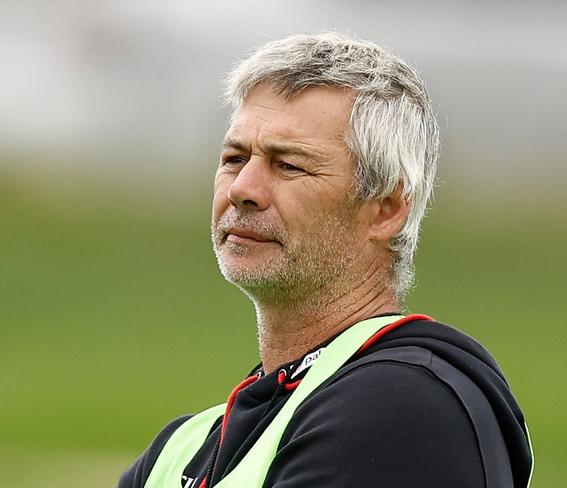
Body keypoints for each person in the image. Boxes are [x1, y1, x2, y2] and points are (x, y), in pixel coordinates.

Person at [119, 32, 533, 488]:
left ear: (385, 209)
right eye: (235, 158)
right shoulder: (185, 447)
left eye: (289, 165)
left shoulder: (401, 406)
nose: (242, 189)